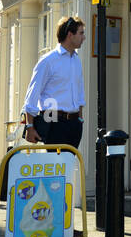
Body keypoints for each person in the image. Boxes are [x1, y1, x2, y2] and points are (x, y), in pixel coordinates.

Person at [22, 17, 86, 148]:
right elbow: (32, 94)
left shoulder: (76, 60)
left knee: (68, 165)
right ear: (70, 34)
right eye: (81, 33)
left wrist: (80, 120)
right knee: (57, 165)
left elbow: (79, 93)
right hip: (54, 122)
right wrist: (29, 126)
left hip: (74, 124)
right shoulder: (48, 61)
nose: (83, 37)